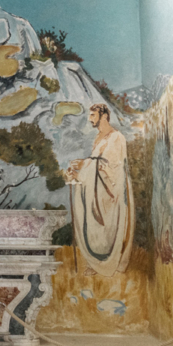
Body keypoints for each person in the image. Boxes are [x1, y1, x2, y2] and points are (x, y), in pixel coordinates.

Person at [65, 104, 135, 275]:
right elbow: (96, 165)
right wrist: (77, 172)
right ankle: (97, 263)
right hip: (97, 190)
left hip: (113, 192)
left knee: (110, 229)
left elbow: (113, 167)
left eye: (93, 115)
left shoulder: (117, 138)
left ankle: (111, 264)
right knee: (95, 228)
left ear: (103, 116)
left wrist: (85, 164)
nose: (90, 119)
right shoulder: (98, 138)